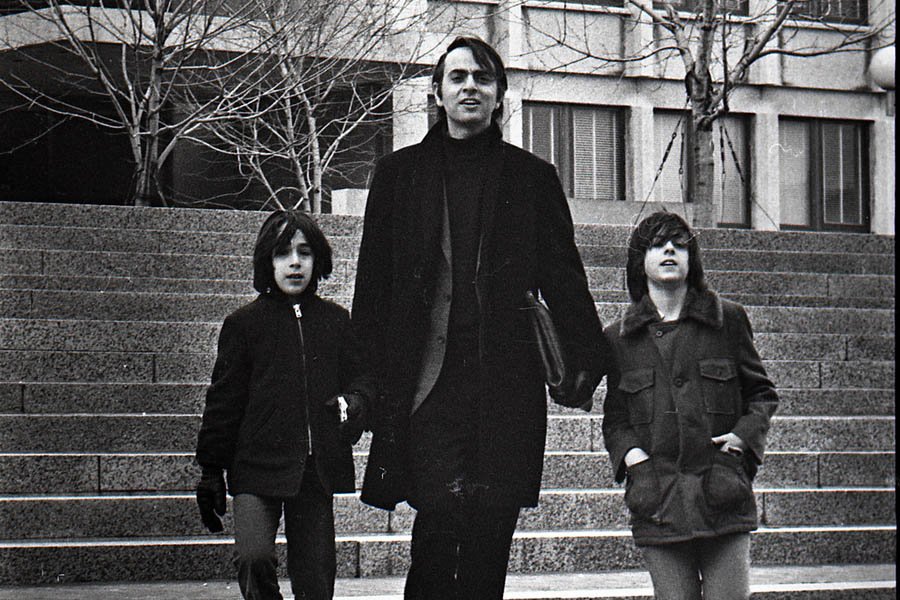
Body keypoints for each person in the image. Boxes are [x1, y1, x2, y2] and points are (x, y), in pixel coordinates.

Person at [351, 36, 614, 599]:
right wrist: (363, 382)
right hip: (427, 388)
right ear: (437, 93)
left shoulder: (532, 177)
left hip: (504, 390)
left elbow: (565, 279)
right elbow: (372, 290)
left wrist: (590, 358)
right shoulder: (398, 175)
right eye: (458, 76)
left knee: (490, 542)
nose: (470, 86)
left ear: (500, 95)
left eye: (483, 78)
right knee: (437, 526)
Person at [195, 210, 373, 600]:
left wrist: (355, 402)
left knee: (316, 577)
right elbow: (223, 402)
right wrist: (211, 470)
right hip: (256, 466)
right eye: (283, 253)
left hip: (313, 469)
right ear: (267, 260)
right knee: (254, 557)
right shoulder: (244, 325)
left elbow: (361, 379)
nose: (295, 263)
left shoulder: (335, 321)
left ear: (318, 259)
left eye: (304, 252)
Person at [602, 211, 779, 600]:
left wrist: (741, 440)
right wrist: (635, 461)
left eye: (679, 244)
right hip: (659, 501)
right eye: (657, 244)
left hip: (722, 494)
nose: (669, 249)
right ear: (640, 261)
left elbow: (762, 393)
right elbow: (615, 419)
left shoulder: (727, 320)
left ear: (691, 259)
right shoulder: (619, 338)